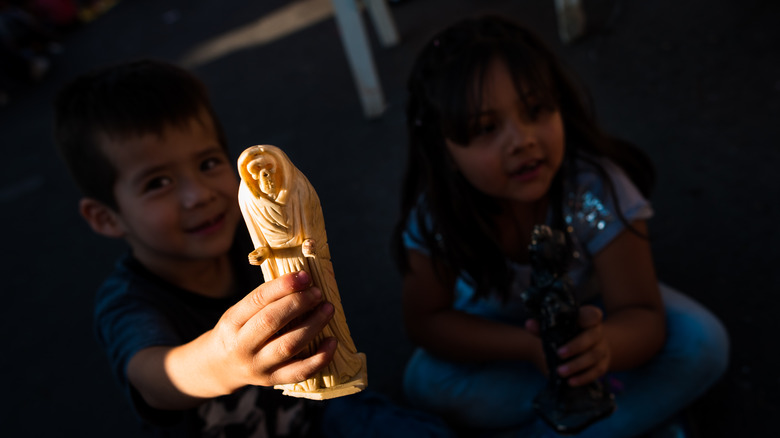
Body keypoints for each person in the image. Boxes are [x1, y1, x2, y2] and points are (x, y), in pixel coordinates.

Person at [391, 15, 729, 437]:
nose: (522, 140)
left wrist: (603, 346)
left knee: (702, 342)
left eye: (536, 111)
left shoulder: (595, 190)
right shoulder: (439, 217)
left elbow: (642, 315)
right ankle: (626, 417)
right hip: (503, 344)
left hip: (596, 322)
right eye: (486, 128)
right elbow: (427, 322)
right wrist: (531, 349)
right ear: (444, 149)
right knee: (426, 382)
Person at [53, 59, 340, 437]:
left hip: (314, 416)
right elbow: (153, 378)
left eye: (208, 163)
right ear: (106, 217)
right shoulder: (129, 302)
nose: (198, 195)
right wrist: (224, 363)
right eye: (158, 183)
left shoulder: (253, 242)